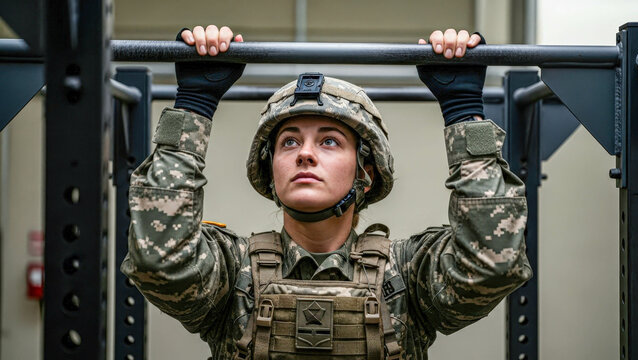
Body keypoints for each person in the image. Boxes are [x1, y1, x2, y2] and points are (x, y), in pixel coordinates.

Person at [121, 25, 532, 360]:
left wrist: (464, 111)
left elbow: (490, 264)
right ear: (270, 170)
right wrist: (194, 104)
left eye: (330, 141)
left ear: (365, 172)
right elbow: (159, 259)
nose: (304, 154)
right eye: (288, 142)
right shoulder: (231, 272)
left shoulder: (407, 274)